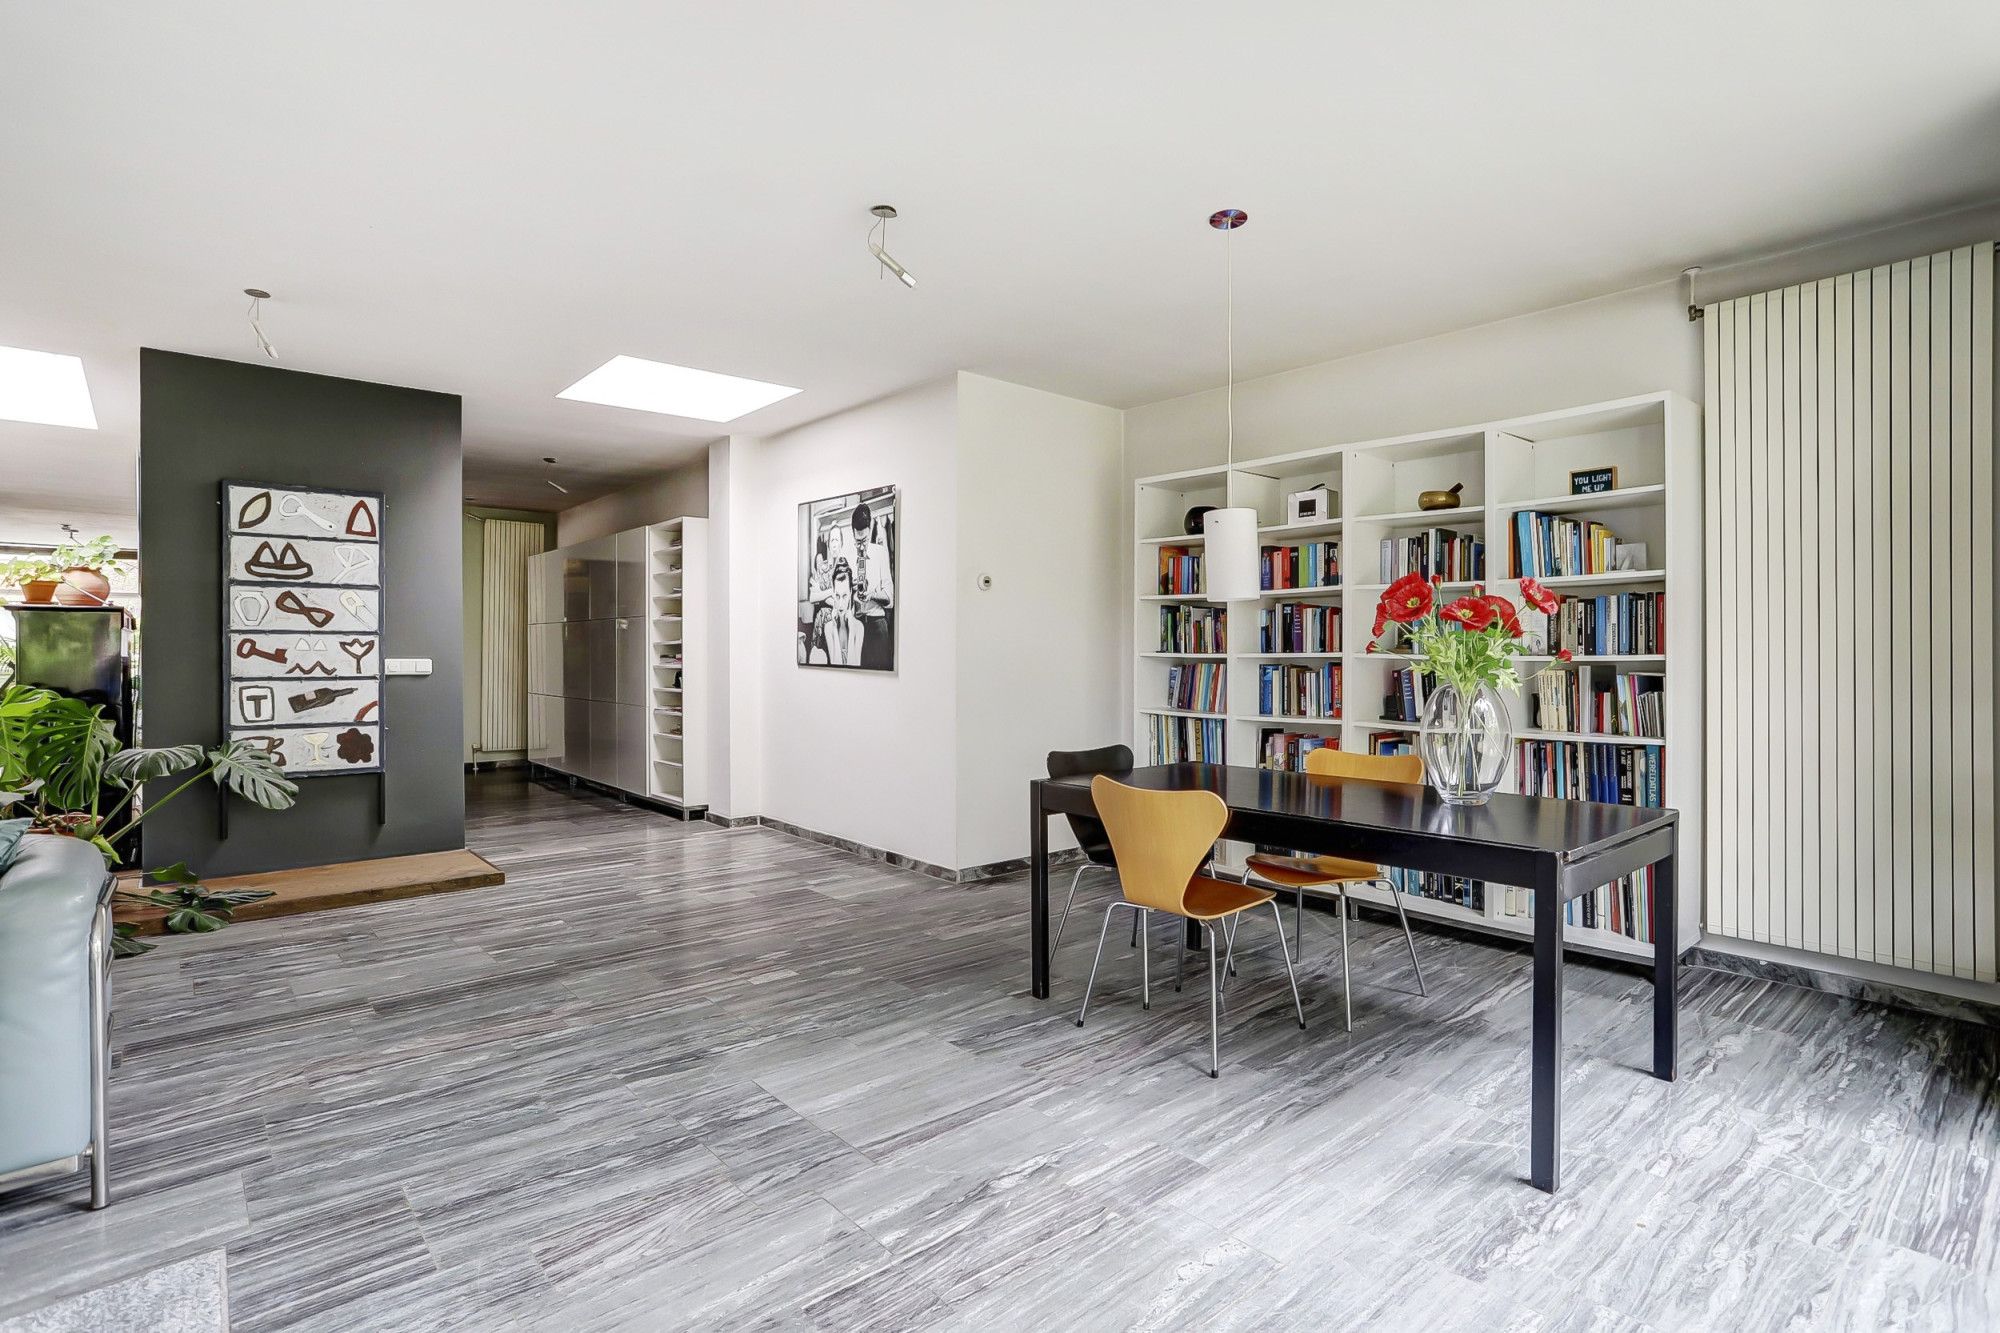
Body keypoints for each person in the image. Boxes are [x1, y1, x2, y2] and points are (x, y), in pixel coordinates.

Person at [808, 558, 865, 666]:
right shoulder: (829, 627)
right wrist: (834, 628)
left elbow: (854, 666)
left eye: (845, 596)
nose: (840, 604)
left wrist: (851, 629)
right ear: (833, 593)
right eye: (837, 596)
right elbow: (836, 664)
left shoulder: (859, 627)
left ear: (850, 592)